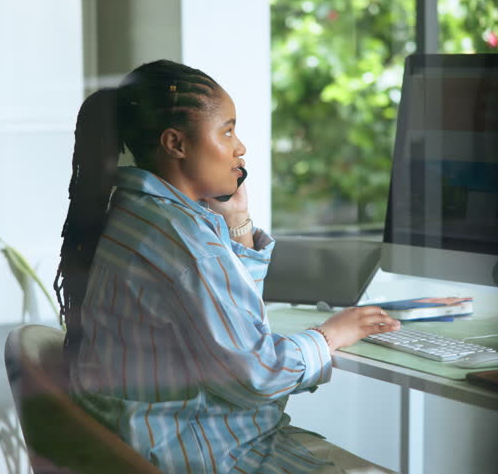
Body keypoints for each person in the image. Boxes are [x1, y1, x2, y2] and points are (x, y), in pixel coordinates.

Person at [54, 59, 401, 473]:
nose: (240, 148)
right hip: (206, 450)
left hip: (144, 442)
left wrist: (237, 224)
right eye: (227, 130)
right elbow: (257, 373)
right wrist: (333, 334)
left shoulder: (140, 215)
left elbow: (227, 321)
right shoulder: (187, 245)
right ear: (176, 144)